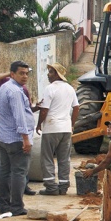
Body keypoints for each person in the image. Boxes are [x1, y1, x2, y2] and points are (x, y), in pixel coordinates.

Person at [0, 61, 36, 217]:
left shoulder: (4, 87)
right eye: (21, 73)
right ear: (12, 74)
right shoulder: (15, 91)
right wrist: (26, 139)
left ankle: (3, 205)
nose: (25, 76)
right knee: (18, 173)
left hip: (2, 137)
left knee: (4, 171)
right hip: (16, 139)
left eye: (26, 73)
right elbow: (20, 117)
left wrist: (1, 115)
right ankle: (16, 207)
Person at [36, 63, 80, 195]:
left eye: (50, 72)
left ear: (56, 74)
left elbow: (44, 110)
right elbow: (76, 108)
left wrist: (39, 124)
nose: (48, 75)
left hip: (51, 128)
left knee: (47, 157)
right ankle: (63, 186)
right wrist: (71, 124)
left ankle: (51, 187)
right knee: (64, 158)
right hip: (66, 129)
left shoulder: (50, 88)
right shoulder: (70, 89)